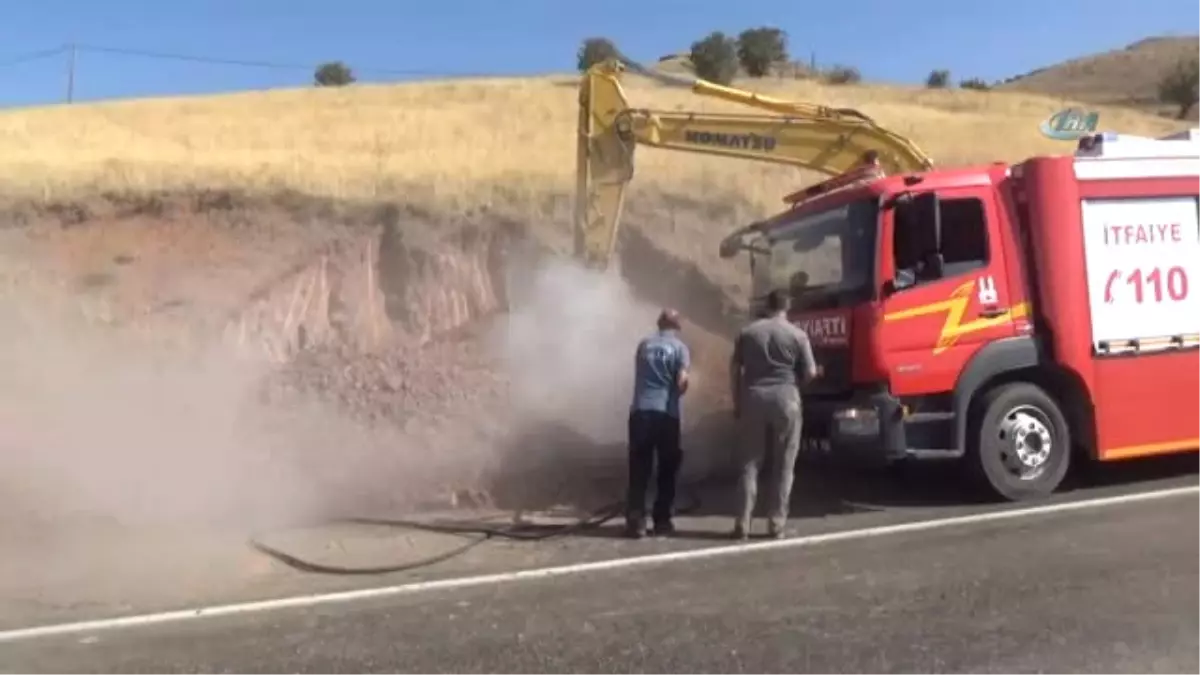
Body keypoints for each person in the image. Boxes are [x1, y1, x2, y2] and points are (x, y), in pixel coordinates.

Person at [728, 288, 820, 540]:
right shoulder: (798, 335)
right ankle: (776, 524)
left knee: (749, 464)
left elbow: (735, 370)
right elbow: (811, 372)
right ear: (787, 306)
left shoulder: (747, 332)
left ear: (767, 305)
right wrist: (797, 386)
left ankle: (742, 523)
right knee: (784, 464)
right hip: (786, 398)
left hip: (753, 397)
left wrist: (737, 401)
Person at [625, 308, 691, 539]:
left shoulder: (643, 345)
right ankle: (661, 520)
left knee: (639, 468)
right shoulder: (680, 349)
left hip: (640, 412)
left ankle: (636, 520)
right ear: (677, 326)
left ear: (659, 324)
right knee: (666, 469)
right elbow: (682, 382)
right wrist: (679, 390)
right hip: (666, 415)